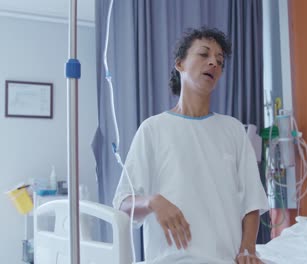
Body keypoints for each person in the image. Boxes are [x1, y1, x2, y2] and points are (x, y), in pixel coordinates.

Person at [113, 27, 269, 264]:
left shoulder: (233, 130)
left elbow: (252, 203)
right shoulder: (153, 129)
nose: (213, 64)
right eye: (204, 55)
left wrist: (248, 249)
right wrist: (152, 201)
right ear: (180, 64)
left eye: (219, 61)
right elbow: (123, 205)